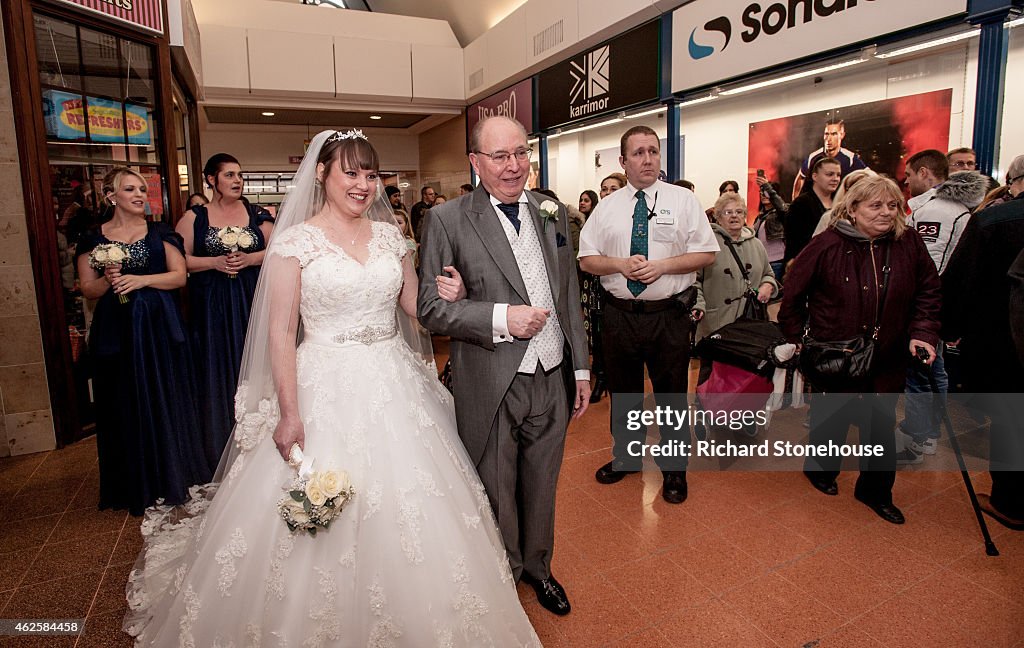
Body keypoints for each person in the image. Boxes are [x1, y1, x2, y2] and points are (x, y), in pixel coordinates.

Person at [124, 130, 542, 646]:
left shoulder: (392, 237)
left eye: (371, 174)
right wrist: (290, 412)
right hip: (324, 379)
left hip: (395, 381)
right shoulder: (295, 242)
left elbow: (416, 307)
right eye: (351, 172)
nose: (364, 185)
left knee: (412, 510)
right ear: (321, 174)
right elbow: (280, 330)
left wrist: (448, 291)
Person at [417, 115, 591, 616]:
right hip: (492, 376)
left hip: (553, 373)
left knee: (542, 484)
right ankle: (503, 573)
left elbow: (567, 297)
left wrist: (580, 368)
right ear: (475, 162)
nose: (514, 166)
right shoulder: (448, 219)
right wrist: (500, 317)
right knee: (496, 486)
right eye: (500, 156)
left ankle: (539, 567)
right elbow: (430, 307)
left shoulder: (551, 211)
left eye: (520, 153)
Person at [779, 175, 941, 525]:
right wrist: (798, 339)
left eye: (892, 205)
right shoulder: (826, 244)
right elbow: (792, 294)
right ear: (852, 209)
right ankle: (821, 470)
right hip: (837, 352)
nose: (886, 212)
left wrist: (923, 332)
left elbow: (929, 291)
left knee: (880, 425)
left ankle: (875, 490)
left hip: (888, 354)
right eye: (876, 205)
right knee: (832, 417)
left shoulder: (908, 242)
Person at [579, 125, 718, 504]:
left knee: (671, 394)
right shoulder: (606, 208)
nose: (648, 159)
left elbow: (706, 253)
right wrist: (619, 264)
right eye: (638, 153)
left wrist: (664, 267)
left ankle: (674, 469)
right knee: (624, 394)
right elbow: (587, 259)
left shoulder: (684, 200)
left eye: (653, 152)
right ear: (623, 162)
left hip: (668, 316)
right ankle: (626, 457)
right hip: (620, 316)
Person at [76, 167, 211, 516]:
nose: (140, 195)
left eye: (143, 189)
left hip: (157, 326)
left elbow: (179, 276)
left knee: (165, 394)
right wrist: (110, 280)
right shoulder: (94, 238)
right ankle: (131, 482)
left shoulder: (160, 232)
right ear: (111, 196)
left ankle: (172, 473)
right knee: (123, 398)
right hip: (116, 329)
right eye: (130, 189)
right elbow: (88, 289)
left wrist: (140, 281)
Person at [176, 154, 275, 468]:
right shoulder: (195, 217)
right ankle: (219, 447)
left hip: (250, 299)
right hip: (211, 305)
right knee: (217, 369)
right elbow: (179, 260)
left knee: (258, 366)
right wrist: (213, 262)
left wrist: (250, 259)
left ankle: (261, 444)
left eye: (240, 175)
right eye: (229, 175)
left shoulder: (257, 214)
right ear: (211, 180)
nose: (237, 181)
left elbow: (277, 252)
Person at [942, 153, 1024, 531]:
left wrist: (945, 329)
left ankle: (1011, 502)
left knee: (1011, 421)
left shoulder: (992, 221)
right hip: (1002, 337)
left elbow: (960, 282)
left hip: (1001, 342)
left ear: (1015, 181)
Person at [694, 192, 777, 342]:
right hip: (716, 325)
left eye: (739, 212)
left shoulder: (756, 244)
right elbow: (694, 280)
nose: (734, 216)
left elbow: (769, 274)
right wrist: (699, 305)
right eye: (728, 212)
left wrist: (767, 285)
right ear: (718, 217)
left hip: (750, 326)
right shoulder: (707, 244)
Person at [784, 157, 841, 267]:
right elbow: (795, 242)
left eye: (838, 175)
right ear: (815, 176)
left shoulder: (839, 204)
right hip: (805, 265)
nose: (835, 179)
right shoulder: (800, 204)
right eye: (829, 174)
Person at [791, 118, 869, 199]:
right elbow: (801, 177)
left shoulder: (850, 158)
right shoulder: (813, 157)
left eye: (834, 134)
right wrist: (794, 203)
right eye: (826, 134)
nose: (829, 139)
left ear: (842, 135)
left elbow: (871, 176)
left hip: (839, 206)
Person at [753, 178, 787, 280]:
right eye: (761, 192)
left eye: (766, 192)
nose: (764, 194)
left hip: (776, 262)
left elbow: (783, 208)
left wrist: (768, 189)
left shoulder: (780, 214)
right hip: (761, 262)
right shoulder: (759, 217)